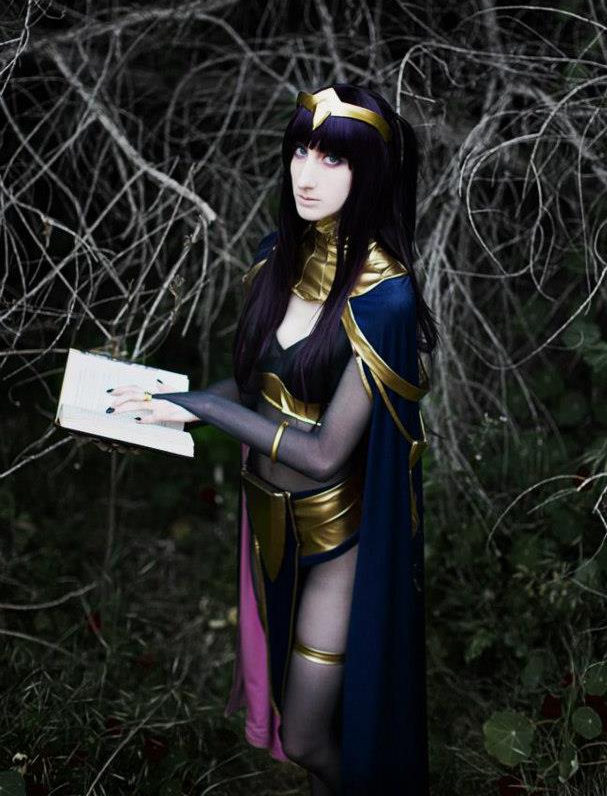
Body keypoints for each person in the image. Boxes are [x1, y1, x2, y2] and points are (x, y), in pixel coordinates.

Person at [106, 83, 439, 796]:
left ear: (371, 172)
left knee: (309, 736)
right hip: (265, 526)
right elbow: (253, 391)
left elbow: (323, 453)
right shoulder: (274, 258)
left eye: (332, 159)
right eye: (300, 152)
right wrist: (174, 407)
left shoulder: (385, 299)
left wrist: (202, 405)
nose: (306, 175)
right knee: (298, 718)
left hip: (338, 542)